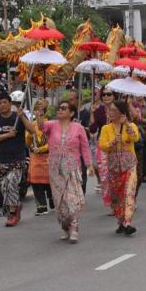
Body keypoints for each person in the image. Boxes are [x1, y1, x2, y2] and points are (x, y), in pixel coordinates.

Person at [38, 101, 94, 243]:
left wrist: (89, 165)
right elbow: (41, 127)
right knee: (59, 201)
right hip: (55, 168)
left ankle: (74, 228)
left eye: (63, 108)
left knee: (72, 200)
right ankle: (64, 226)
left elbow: (85, 148)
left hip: (72, 168)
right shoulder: (52, 125)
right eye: (59, 108)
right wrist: (39, 115)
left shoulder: (78, 128)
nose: (60, 110)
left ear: (72, 113)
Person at [0, 92, 35, 227]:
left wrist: (23, 118)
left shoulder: (19, 117)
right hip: (1, 160)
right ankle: (16, 205)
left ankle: (12, 214)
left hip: (17, 159)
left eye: (5, 102)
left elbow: (32, 130)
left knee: (11, 184)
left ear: (10, 103)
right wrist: (7, 135)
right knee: (4, 188)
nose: (2, 105)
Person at [99, 100, 140, 236]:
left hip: (129, 164)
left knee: (129, 193)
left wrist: (127, 123)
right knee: (116, 197)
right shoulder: (106, 128)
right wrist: (112, 142)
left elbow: (135, 138)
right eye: (110, 110)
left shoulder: (131, 125)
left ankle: (127, 222)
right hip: (114, 166)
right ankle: (121, 220)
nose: (110, 113)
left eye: (113, 110)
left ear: (121, 113)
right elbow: (102, 145)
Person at [89, 87, 116, 211]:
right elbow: (93, 129)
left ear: (114, 96)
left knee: (117, 175)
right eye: (104, 95)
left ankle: (121, 200)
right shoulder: (98, 110)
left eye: (109, 94)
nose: (106, 97)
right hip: (103, 145)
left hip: (118, 145)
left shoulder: (119, 108)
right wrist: (92, 114)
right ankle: (111, 203)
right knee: (105, 175)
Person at [25, 99, 53, 215]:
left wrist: (41, 148)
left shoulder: (50, 123)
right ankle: (41, 206)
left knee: (49, 182)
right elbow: (27, 140)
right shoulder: (31, 124)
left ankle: (52, 198)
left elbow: (52, 141)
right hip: (35, 157)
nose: (39, 111)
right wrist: (31, 142)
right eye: (37, 109)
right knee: (36, 182)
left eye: (41, 109)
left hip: (48, 156)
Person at [67, 89, 90, 194]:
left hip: (81, 147)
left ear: (78, 100)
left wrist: (81, 128)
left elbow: (90, 131)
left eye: (71, 99)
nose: (69, 101)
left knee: (82, 172)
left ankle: (81, 193)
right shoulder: (68, 113)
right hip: (69, 147)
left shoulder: (86, 113)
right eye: (68, 99)